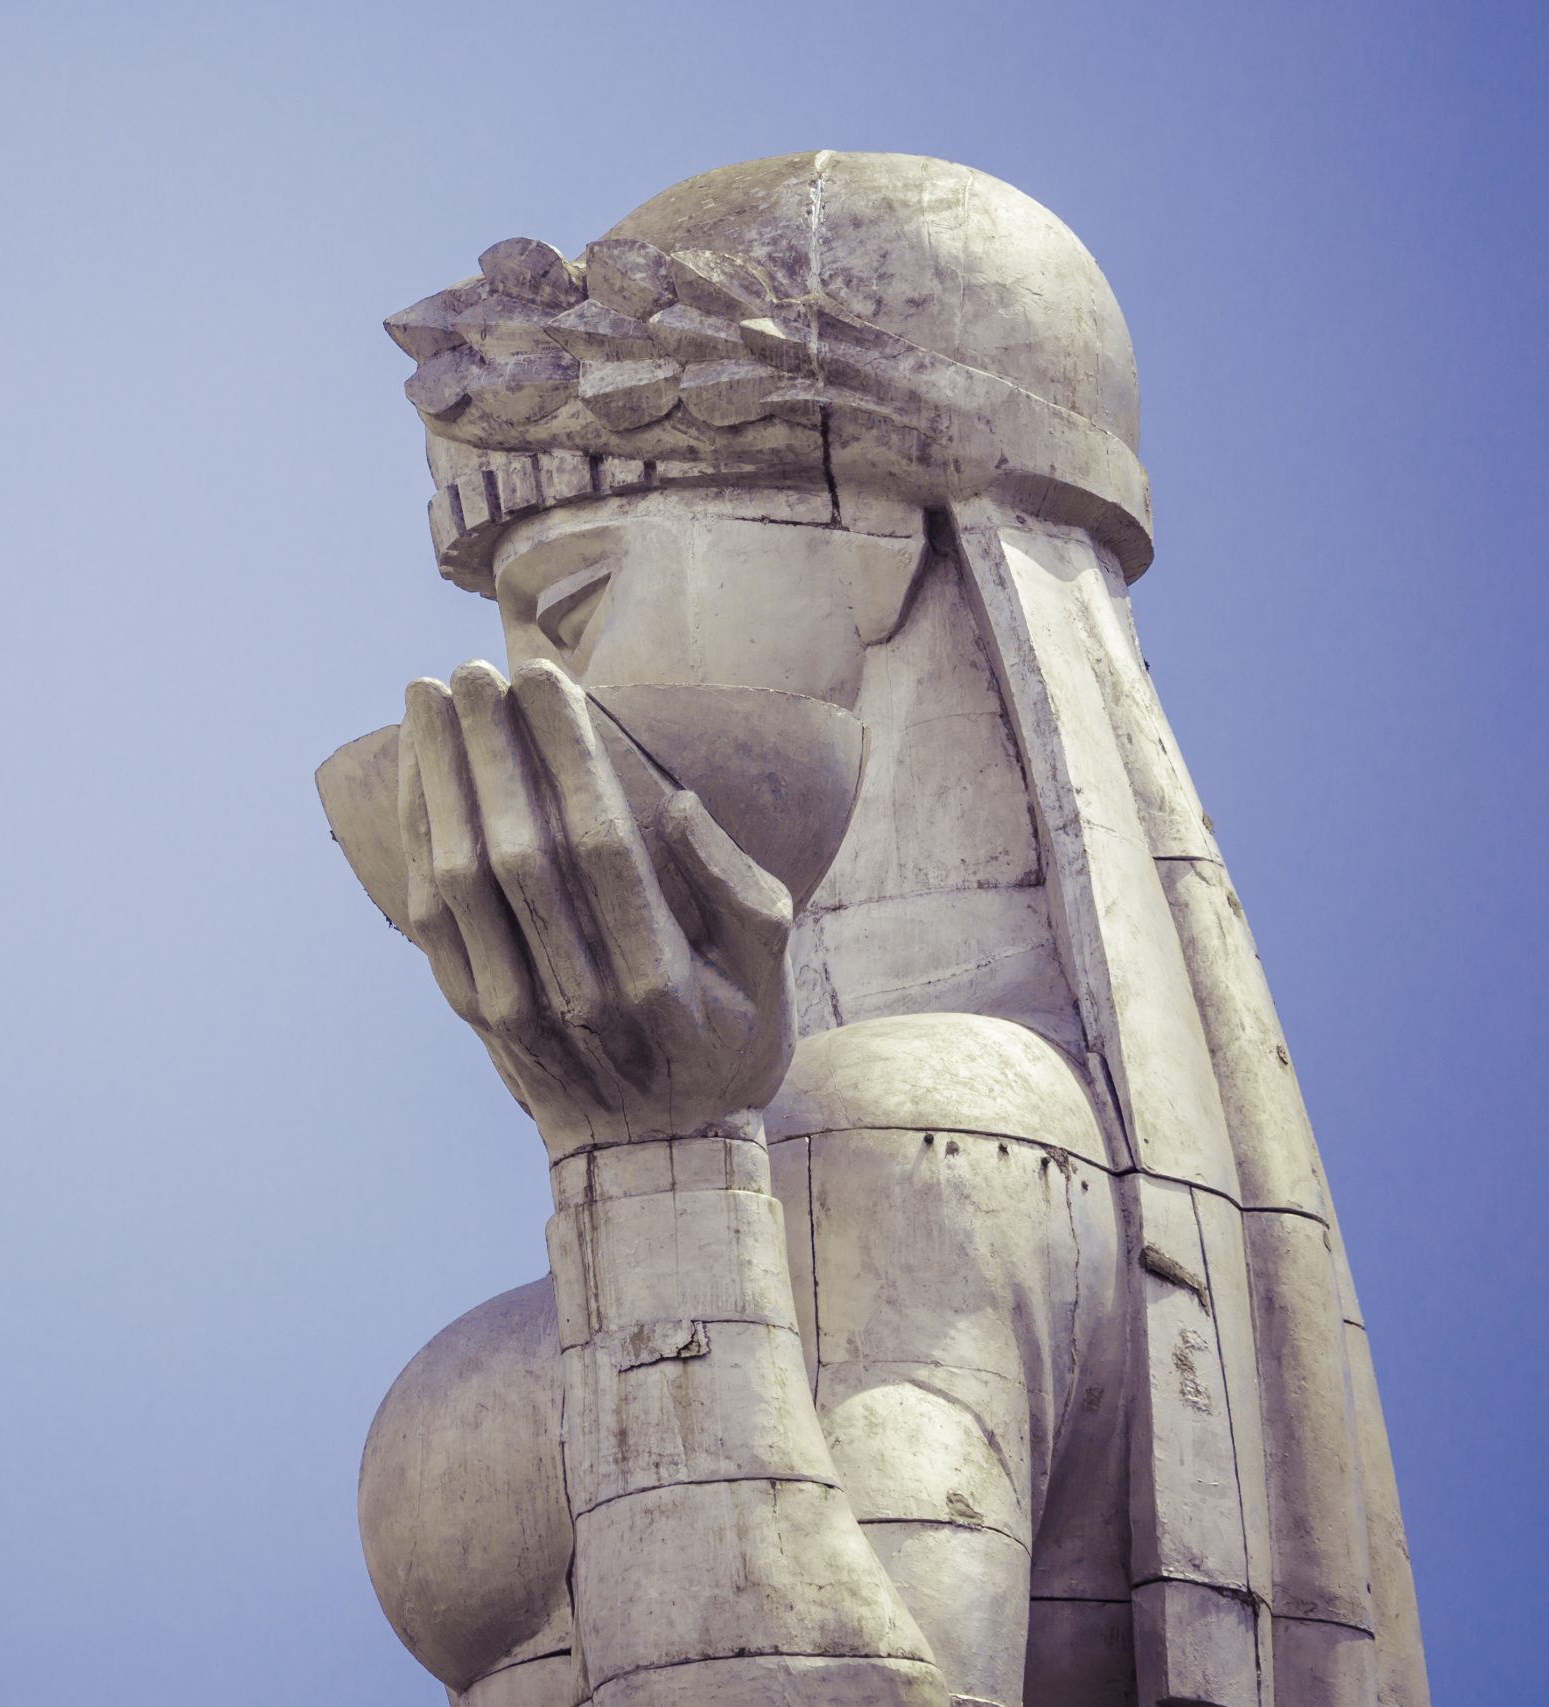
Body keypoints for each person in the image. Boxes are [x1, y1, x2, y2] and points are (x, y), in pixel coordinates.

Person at [324, 152, 1427, 1707]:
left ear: (873, 544)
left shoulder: (940, 1122)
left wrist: (651, 1162)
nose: (543, 700)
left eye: (572, 608)